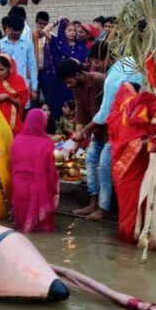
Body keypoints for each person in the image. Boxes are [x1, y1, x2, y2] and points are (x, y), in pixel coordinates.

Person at [58, 58, 109, 220]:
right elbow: (80, 111)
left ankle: (104, 208)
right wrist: (76, 141)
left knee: (104, 168)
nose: (68, 85)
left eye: (69, 81)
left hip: (110, 132)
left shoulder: (100, 81)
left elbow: (105, 113)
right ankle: (93, 203)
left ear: (78, 73)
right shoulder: (77, 87)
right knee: (91, 162)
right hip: (96, 132)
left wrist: (83, 133)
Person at [10, 107, 59, 233]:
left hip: (18, 187)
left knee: (20, 228)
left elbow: (11, 164)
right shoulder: (47, 143)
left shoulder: (16, 140)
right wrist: (55, 189)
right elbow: (51, 172)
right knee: (40, 231)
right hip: (37, 189)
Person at [0, 53, 30, 134]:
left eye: (1, 69)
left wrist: (9, 98)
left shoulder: (18, 80)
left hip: (13, 119)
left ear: (10, 68)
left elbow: (22, 102)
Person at [0, 14, 38, 100]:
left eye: (20, 31)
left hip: (23, 85)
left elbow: (32, 64)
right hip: (6, 86)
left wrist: (34, 87)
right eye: (15, 30)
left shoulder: (27, 43)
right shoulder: (1, 44)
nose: (17, 33)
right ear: (8, 28)